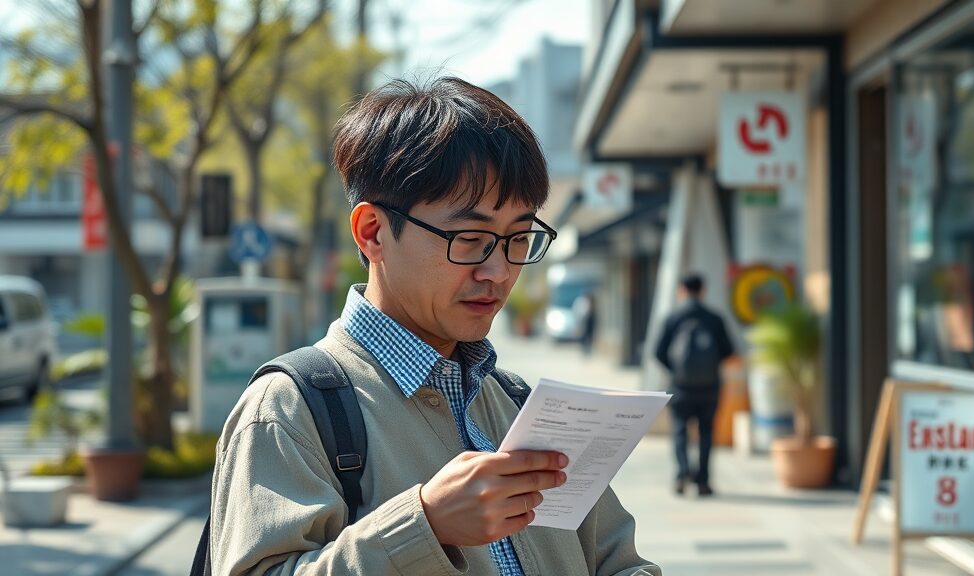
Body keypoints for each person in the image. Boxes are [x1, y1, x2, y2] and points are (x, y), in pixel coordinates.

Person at [209, 77, 660, 576]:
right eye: (470, 238)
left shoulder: (516, 405)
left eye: (518, 238)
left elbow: (617, 561)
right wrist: (424, 526)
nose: (499, 270)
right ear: (373, 232)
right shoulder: (288, 410)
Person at [654, 273, 735, 497]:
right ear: (702, 290)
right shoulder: (714, 318)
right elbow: (728, 351)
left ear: (681, 290)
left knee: (680, 430)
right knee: (706, 432)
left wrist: (676, 369)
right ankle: (703, 482)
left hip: (680, 387)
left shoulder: (673, 318)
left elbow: (658, 352)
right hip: (709, 388)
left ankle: (681, 474)